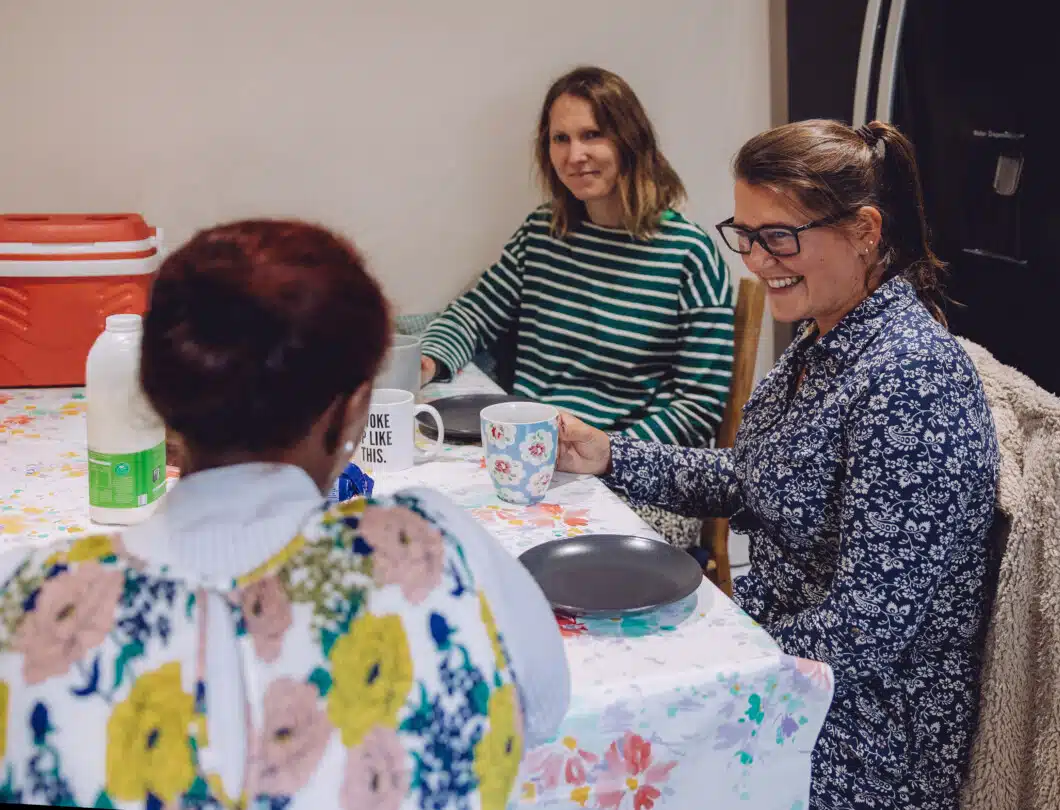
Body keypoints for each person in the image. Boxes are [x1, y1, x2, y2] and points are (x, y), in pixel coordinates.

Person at [0, 220, 569, 810]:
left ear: (159, 403)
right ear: (352, 415)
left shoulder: (21, 603)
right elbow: (546, 708)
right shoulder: (444, 547)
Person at [557, 120, 1000, 809]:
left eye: (779, 237)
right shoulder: (823, 344)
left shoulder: (913, 381)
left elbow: (863, 632)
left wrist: (715, 638)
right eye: (747, 234)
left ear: (864, 232)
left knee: (596, 743)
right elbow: (752, 478)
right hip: (794, 670)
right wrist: (610, 454)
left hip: (862, 736)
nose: (758, 261)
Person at [420, 65, 734, 549]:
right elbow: (477, 311)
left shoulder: (688, 253)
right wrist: (426, 359)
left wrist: (608, 454)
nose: (575, 155)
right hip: (533, 455)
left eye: (592, 135)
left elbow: (698, 405)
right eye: (559, 139)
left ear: (630, 141)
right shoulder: (543, 233)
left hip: (631, 469)